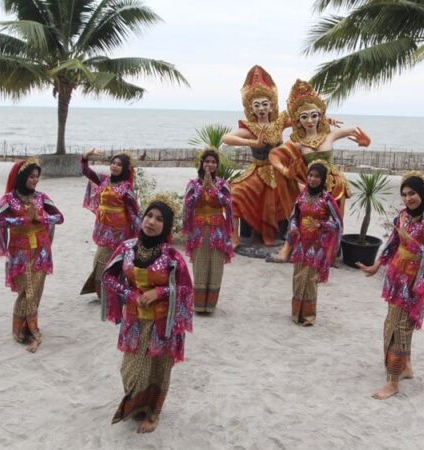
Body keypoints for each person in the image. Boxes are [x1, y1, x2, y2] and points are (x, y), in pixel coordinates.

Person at [101, 195, 194, 433]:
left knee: (158, 369)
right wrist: (130, 295)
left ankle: (153, 412)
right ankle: (137, 403)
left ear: (167, 226)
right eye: (149, 216)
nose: (151, 222)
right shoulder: (127, 248)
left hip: (162, 324)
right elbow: (108, 277)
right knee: (129, 370)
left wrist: (161, 292)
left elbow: (185, 289)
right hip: (133, 321)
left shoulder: (172, 257)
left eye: (159, 219)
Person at [356, 171, 424, 399]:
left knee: (398, 330)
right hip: (396, 280)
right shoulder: (402, 218)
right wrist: (377, 265)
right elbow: (393, 243)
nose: (408, 198)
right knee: (392, 324)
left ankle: (392, 383)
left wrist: (421, 284)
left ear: (423, 193)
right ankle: (405, 368)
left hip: (413, 284)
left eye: (412, 193)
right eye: (404, 194)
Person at [267, 79, 370, 263]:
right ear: (297, 120)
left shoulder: (330, 135)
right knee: (298, 214)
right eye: (304, 117)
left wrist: (365, 140)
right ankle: (286, 250)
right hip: (312, 185)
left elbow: (354, 130)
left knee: (332, 219)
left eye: (314, 115)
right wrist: (284, 171)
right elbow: (274, 155)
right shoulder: (298, 143)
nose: (310, 120)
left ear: (320, 115)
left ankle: (329, 254)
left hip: (334, 185)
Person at [0, 157, 64, 353]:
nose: (35, 180)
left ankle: (28, 328)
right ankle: (21, 329)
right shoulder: (9, 199)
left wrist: (40, 217)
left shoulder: (42, 198)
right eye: (31, 177)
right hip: (20, 252)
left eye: (37, 177)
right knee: (26, 290)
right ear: (22, 176)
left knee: (36, 290)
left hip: (40, 250)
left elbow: (59, 217)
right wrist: (21, 220)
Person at [221, 65, 298, 248]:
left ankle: (293, 237)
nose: (262, 108)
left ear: (271, 105)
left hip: (278, 170)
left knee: (298, 195)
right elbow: (226, 138)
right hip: (257, 170)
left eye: (265, 104)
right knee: (234, 196)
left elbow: (301, 118)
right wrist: (253, 143)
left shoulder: (279, 123)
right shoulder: (249, 129)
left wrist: (327, 122)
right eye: (257, 105)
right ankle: (234, 237)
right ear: (251, 108)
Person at [287, 162, 342, 326]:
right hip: (301, 243)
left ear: (323, 179)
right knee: (297, 277)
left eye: (317, 176)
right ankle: (296, 313)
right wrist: (294, 227)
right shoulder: (302, 197)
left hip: (317, 245)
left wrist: (321, 225)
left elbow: (338, 223)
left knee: (310, 279)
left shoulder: (327, 200)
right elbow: (293, 216)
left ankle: (308, 316)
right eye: (310, 175)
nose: (312, 179)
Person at [79, 148, 140, 298]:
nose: (114, 166)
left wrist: (142, 233)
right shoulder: (104, 180)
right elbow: (87, 172)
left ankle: (108, 294)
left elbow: (134, 212)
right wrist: (85, 158)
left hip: (119, 231)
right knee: (102, 260)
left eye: (119, 164)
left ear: (125, 168)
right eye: (113, 163)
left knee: (110, 260)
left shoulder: (126, 188)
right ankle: (105, 292)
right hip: (103, 228)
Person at [183, 148, 234, 314]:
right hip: (198, 231)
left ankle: (210, 305)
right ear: (202, 164)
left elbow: (227, 204)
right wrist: (201, 188)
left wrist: (212, 186)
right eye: (207, 161)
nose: (210, 165)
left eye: (213, 162)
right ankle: (198, 304)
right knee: (200, 264)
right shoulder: (192, 184)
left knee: (215, 265)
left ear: (216, 165)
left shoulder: (223, 184)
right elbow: (188, 205)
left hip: (217, 231)